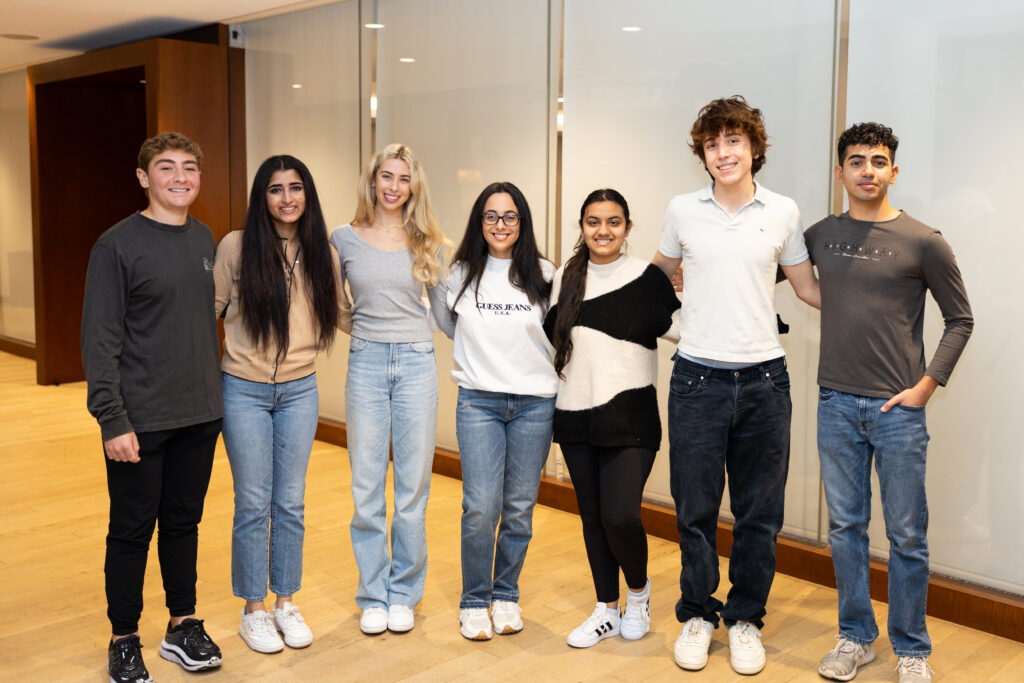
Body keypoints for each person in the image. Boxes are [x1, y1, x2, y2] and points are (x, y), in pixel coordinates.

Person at [652, 96, 820, 675]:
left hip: (764, 383)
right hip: (696, 380)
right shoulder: (683, 210)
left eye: (733, 142)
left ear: (754, 148)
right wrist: (682, 327)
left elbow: (808, 289)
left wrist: (880, 302)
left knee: (759, 514)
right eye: (712, 144)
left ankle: (745, 617)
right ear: (703, 153)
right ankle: (698, 613)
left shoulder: (783, 211)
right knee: (694, 511)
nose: (723, 153)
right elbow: (655, 284)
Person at [808, 123, 972, 683]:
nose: (868, 171)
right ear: (841, 172)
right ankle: (855, 637)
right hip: (834, 404)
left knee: (906, 534)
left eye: (879, 162)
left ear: (893, 171)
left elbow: (961, 319)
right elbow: (769, 266)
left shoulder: (925, 240)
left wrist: (927, 386)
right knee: (846, 529)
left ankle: (912, 649)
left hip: (898, 412)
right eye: (857, 162)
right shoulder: (821, 235)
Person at [82, 132, 223, 683]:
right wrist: (112, 419)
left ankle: (181, 625)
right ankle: (124, 637)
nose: (180, 177)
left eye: (189, 167)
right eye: (166, 168)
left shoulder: (205, 238)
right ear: (144, 178)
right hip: (140, 421)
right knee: (132, 530)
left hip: (200, 414)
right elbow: (99, 341)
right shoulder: (116, 246)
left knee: (184, 524)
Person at [214, 155, 347, 654]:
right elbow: (209, 309)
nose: (287, 198)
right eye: (275, 189)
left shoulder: (322, 254)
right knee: (253, 501)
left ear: (307, 195)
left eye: (296, 188)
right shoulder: (236, 247)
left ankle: (286, 602)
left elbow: (342, 313)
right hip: (243, 389)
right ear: (261, 196)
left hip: (299, 390)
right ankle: (253, 609)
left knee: (290, 502)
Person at [544, 189, 680, 649]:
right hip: (575, 413)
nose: (603, 231)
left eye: (614, 222)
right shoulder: (567, 275)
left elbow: (686, 330)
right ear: (582, 227)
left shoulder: (646, 277)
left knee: (621, 516)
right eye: (593, 222)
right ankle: (606, 608)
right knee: (592, 517)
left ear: (627, 227)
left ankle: (638, 595)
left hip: (632, 414)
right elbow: (552, 337)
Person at [330, 143, 451, 635]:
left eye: (403, 179)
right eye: (386, 176)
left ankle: (404, 592)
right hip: (366, 364)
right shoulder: (342, 238)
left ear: (413, 186)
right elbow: (329, 303)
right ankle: (372, 595)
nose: (394, 187)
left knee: (411, 491)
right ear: (372, 180)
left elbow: (445, 316)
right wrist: (361, 329)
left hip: (418, 365)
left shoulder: (429, 242)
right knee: (366, 489)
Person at [434, 182, 558, 641]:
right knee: (480, 507)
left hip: (534, 404)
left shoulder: (546, 274)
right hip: (479, 402)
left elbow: (562, 332)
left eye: (509, 217)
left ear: (522, 223)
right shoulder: (461, 272)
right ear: (479, 222)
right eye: (491, 216)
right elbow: (449, 327)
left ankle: (506, 595)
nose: (500, 225)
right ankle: (474, 600)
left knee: (520, 509)